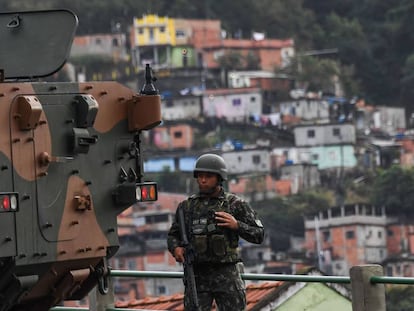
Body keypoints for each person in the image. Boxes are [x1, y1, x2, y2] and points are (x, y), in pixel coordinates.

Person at [167, 153, 265, 311]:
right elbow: (173, 235)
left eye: (208, 176)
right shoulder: (187, 207)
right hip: (197, 276)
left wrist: (237, 225)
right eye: (200, 176)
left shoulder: (234, 204)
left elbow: (259, 234)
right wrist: (176, 248)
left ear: (219, 178)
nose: (203, 180)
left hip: (226, 274)